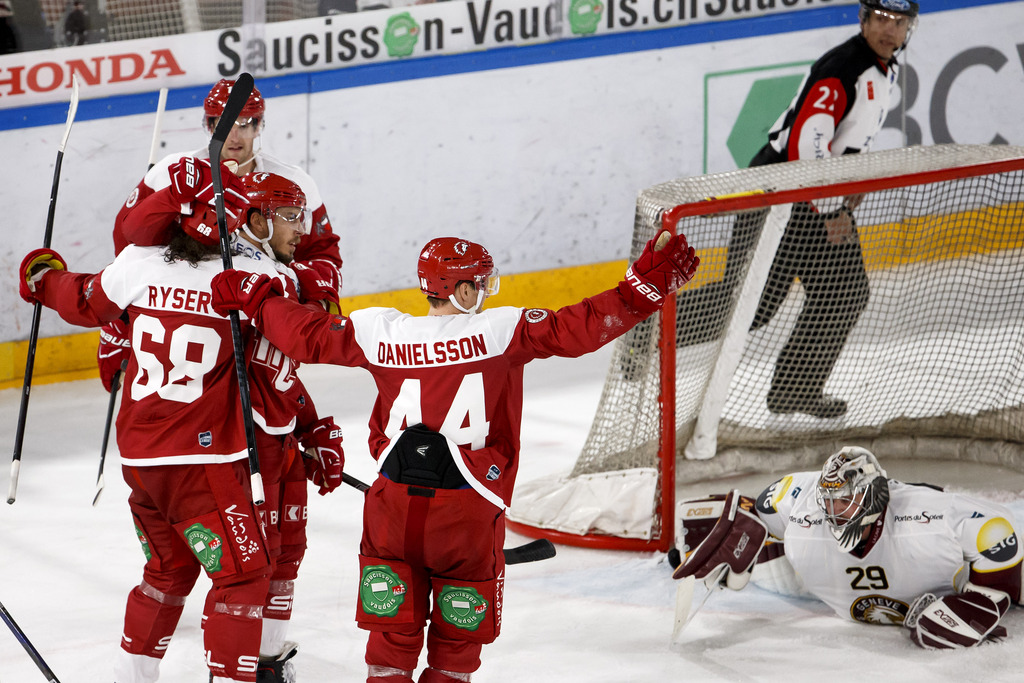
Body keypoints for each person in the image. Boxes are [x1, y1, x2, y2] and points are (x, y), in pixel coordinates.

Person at [209, 230, 699, 682]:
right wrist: (643, 290)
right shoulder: (501, 330)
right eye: (480, 284)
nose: (486, 293)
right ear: (462, 291)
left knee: (390, 642)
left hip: (392, 507)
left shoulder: (381, 330)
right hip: (467, 511)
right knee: (456, 646)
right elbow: (580, 328)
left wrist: (259, 301)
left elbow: (307, 335)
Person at [18, 169, 341, 682]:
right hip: (204, 462)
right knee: (243, 579)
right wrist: (312, 423)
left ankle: (132, 676)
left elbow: (80, 300)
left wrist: (42, 276)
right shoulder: (257, 279)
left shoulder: (137, 264)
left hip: (142, 461)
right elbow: (281, 362)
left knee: (167, 573)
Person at [663, 0, 920, 419]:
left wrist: (841, 192)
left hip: (811, 198)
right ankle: (645, 331)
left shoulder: (880, 67)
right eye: (881, 19)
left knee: (842, 293)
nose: (889, 30)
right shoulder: (843, 67)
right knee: (754, 303)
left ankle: (793, 390)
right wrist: (832, 209)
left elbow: (840, 141)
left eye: (899, 22)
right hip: (782, 194)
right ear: (864, 19)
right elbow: (806, 144)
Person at [100, 77, 344, 400]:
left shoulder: (294, 183)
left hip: (255, 323)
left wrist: (311, 299)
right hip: (186, 317)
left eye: (245, 123)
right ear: (209, 123)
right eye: (222, 123)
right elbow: (128, 241)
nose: (234, 134)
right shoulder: (172, 170)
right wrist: (121, 321)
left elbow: (324, 254)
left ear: (259, 126)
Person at [674, 446, 1022, 649]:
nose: (832, 512)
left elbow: (997, 532)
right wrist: (738, 529)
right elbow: (758, 512)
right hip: (823, 583)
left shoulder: (930, 517)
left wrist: (990, 596)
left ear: (873, 496)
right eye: (828, 501)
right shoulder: (800, 503)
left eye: (844, 502)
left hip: (920, 575)